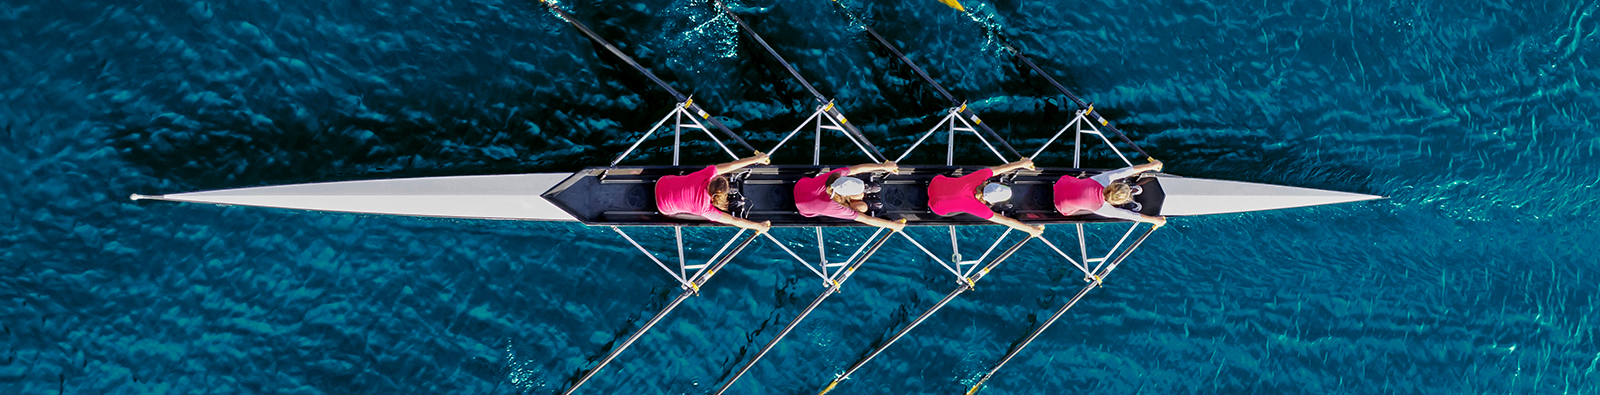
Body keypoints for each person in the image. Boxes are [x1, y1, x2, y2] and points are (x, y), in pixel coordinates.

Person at [656, 153, 772, 233]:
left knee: (690, 178)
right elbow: (733, 220)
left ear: (712, 180)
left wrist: (756, 158)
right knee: (703, 216)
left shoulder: (706, 174)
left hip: (661, 182)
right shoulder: (706, 209)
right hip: (663, 208)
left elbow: (731, 165)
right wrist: (758, 226)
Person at [927, 159, 1045, 238]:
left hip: (936, 182)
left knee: (959, 183)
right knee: (961, 208)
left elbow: (1001, 168)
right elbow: (1006, 221)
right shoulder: (979, 208)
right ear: (990, 202)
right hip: (936, 207)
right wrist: (1030, 230)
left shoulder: (980, 177)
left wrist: (1021, 163)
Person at [793, 161, 907, 232]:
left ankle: (862, 192)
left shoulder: (833, 178)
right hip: (803, 210)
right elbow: (866, 219)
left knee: (860, 196)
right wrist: (892, 225)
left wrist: (884, 166)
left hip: (801, 184)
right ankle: (862, 194)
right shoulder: (834, 207)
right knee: (863, 208)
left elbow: (858, 169)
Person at [1053, 160, 1167, 227]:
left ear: (1114, 185)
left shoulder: (1104, 179)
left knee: (1086, 189)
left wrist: (1151, 165)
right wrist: (1154, 220)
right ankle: (1130, 192)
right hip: (1061, 207)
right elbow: (1130, 216)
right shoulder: (1103, 209)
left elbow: (1127, 170)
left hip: (1061, 183)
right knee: (1090, 210)